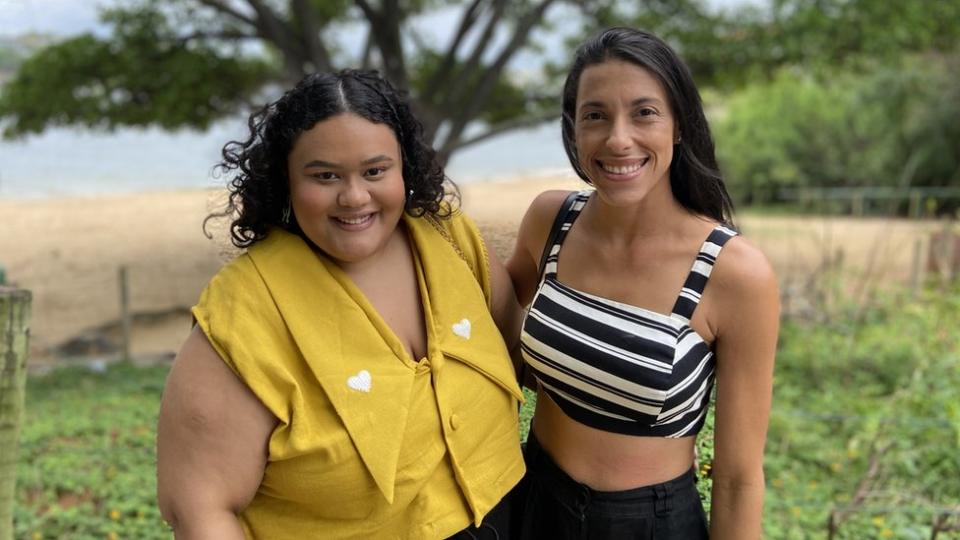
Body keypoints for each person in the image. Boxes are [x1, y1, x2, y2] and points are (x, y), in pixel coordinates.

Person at [156, 69, 525, 539]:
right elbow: (199, 509)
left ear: (403, 168)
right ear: (285, 181)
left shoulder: (450, 239)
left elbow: (519, 350)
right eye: (325, 175)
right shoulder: (245, 307)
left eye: (375, 171)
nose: (354, 197)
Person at [506, 27, 780, 539]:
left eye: (644, 112)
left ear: (678, 125)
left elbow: (739, 479)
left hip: (647, 524)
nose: (617, 139)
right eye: (595, 116)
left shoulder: (733, 272)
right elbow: (486, 320)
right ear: (573, 130)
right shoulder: (550, 221)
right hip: (532, 499)